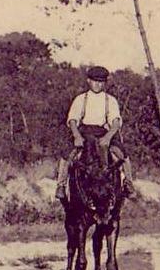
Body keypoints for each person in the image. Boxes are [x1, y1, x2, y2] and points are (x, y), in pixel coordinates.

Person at [55, 66, 134, 201]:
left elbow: (115, 122)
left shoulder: (110, 100)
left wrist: (108, 137)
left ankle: (128, 182)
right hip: (84, 133)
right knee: (66, 154)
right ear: (88, 81)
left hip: (103, 133)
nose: (98, 84)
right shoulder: (81, 99)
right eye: (95, 81)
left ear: (105, 83)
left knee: (122, 154)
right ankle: (61, 185)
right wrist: (77, 136)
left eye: (101, 81)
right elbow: (73, 120)